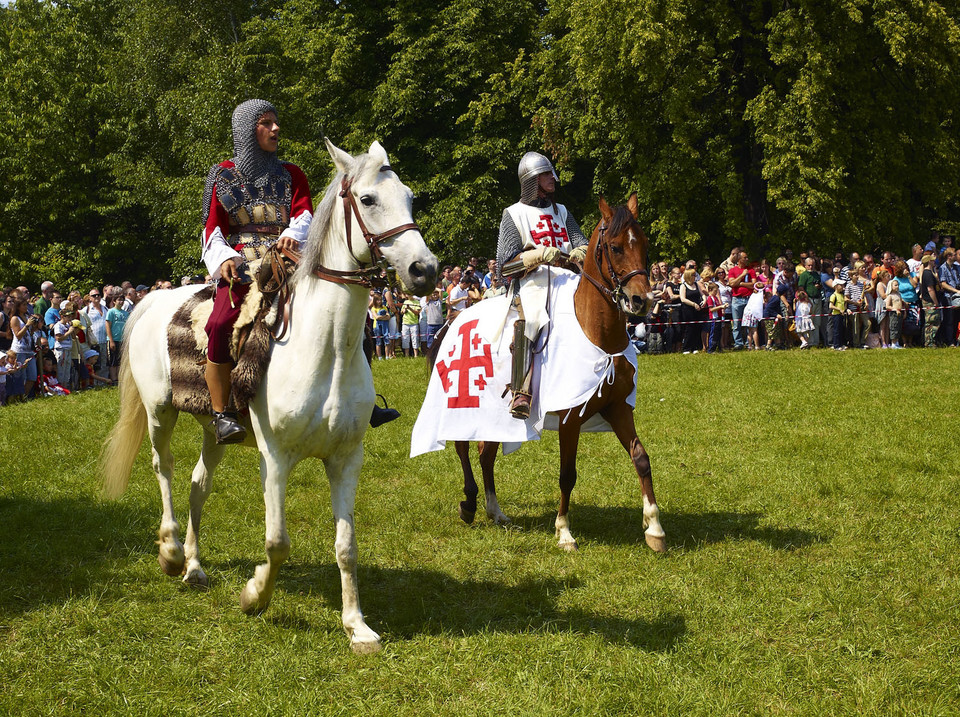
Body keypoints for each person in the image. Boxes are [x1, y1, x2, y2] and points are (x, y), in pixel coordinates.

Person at [496, 151, 587, 418]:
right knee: (532, 320)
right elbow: (504, 268)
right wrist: (535, 256)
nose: (553, 179)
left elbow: (580, 241)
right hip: (532, 283)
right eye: (546, 174)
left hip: (569, 277)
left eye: (551, 173)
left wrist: (581, 251)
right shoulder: (514, 214)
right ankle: (521, 393)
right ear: (532, 179)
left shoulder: (562, 211)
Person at [728, 250, 756, 350]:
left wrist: (740, 284)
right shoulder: (732, 271)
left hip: (749, 299)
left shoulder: (751, 270)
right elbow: (731, 284)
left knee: (750, 323)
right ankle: (738, 343)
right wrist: (742, 276)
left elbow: (753, 285)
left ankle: (750, 343)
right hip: (737, 300)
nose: (747, 259)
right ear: (739, 259)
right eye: (745, 258)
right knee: (736, 323)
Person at [678, 268, 705, 354]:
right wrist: (693, 304)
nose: (695, 277)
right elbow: (683, 299)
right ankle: (686, 348)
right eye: (693, 275)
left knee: (697, 328)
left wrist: (704, 300)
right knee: (689, 329)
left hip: (698, 309)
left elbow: (702, 294)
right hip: (688, 309)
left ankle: (695, 347)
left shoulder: (696, 285)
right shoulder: (683, 286)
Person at [918, 254, 942, 347]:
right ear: (929, 261)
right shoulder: (927, 273)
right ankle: (929, 342)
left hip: (930, 301)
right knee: (931, 322)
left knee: (934, 322)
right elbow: (930, 289)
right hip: (930, 301)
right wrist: (935, 302)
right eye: (932, 260)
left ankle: (931, 341)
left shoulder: (930, 272)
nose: (934, 261)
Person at [105, 293, 129, 383]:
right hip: (113, 339)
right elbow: (108, 325)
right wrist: (111, 340)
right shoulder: (111, 312)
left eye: (122, 300)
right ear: (114, 301)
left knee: (120, 360)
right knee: (112, 360)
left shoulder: (126, 313)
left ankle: (119, 378)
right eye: (119, 300)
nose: (121, 302)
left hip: (122, 340)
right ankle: (113, 379)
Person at [400, 292, 422, 357]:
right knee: (405, 339)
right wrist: (405, 310)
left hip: (414, 323)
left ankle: (416, 355)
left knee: (415, 338)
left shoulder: (417, 302)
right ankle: (406, 355)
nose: (409, 295)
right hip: (405, 323)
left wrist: (410, 308)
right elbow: (402, 312)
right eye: (408, 294)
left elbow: (417, 313)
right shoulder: (405, 302)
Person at [885, 280, 904, 348]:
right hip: (893, 314)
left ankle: (897, 342)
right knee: (894, 327)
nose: (897, 286)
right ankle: (893, 343)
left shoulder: (899, 295)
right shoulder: (890, 296)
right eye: (895, 285)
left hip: (900, 313)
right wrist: (895, 309)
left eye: (898, 285)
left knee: (899, 327)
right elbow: (887, 306)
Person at [829, 279, 847, 350]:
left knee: (841, 330)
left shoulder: (842, 295)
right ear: (836, 286)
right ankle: (836, 345)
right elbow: (830, 306)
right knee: (836, 330)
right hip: (836, 315)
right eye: (841, 285)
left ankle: (841, 344)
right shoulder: (834, 295)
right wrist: (839, 309)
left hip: (841, 315)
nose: (842, 287)